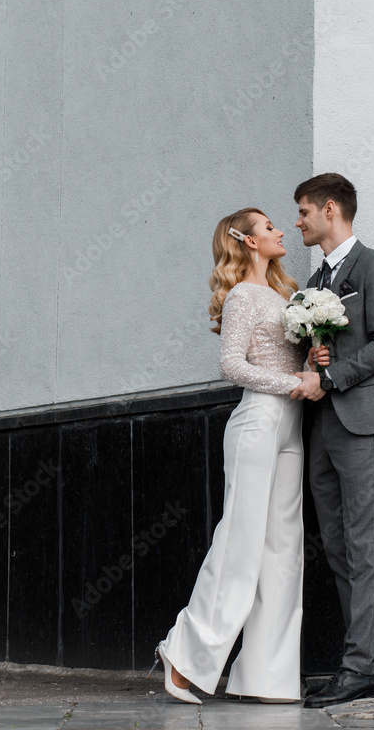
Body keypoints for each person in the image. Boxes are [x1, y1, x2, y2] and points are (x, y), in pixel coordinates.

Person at [151, 207, 329, 704]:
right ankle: (185, 653)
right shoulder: (242, 297)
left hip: (293, 425)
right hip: (258, 420)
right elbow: (231, 365)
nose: (279, 231)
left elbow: (297, 359)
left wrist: (316, 356)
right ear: (248, 242)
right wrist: (294, 382)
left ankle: (268, 678)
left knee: (284, 551)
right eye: (269, 226)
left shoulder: (288, 296)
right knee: (241, 540)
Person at [291, 173, 374, 709]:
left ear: (330, 209)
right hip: (324, 427)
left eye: (303, 213)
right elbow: (333, 346)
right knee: (337, 545)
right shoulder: (318, 278)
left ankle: (359, 667)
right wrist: (317, 357)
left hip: (362, 421)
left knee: (363, 547)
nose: (298, 222)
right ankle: (367, 665)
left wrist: (332, 377)